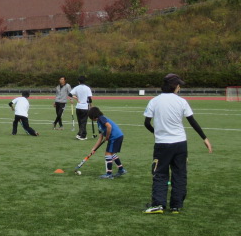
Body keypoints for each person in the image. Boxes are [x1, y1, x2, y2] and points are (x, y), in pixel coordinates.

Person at [142, 73, 212, 214]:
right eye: (179, 85)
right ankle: (176, 206)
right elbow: (192, 121)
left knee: (160, 173)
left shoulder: (154, 101)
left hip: (162, 144)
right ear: (174, 86)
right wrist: (204, 138)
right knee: (179, 173)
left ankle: (159, 204)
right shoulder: (181, 101)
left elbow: (146, 123)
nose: (179, 87)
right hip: (180, 143)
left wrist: (157, 133)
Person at [88, 107, 126, 179]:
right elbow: (100, 138)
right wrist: (94, 149)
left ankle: (109, 174)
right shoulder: (99, 123)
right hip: (118, 136)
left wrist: (107, 136)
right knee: (111, 154)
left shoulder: (101, 118)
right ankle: (121, 170)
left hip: (115, 137)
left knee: (108, 154)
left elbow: (109, 126)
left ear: (93, 116)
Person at [70, 75, 93, 140]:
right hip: (85, 107)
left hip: (78, 107)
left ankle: (80, 133)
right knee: (83, 122)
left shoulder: (76, 87)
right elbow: (89, 98)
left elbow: (70, 94)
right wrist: (91, 105)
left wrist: (75, 98)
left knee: (80, 121)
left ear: (78, 81)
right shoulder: (87, 88)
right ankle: (83, 135)